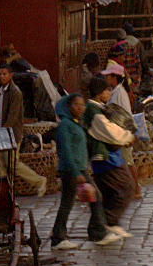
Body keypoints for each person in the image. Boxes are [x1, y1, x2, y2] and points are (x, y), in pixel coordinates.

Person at [51, 93, 112, 249]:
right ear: (68, 106)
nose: (80, 108)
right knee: (75, 201)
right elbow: (65, 151)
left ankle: (94, 232)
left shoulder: (76, 124)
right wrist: (76, 172)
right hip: (71, 170)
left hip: (80, 168)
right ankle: (62, 238)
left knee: (80, 200)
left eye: (82, 105)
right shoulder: (65, 125)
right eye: (76, 105)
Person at [84, 77, 135, 243]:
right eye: (107, 90)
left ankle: (102, 226)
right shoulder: (93, 111)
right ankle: (105, 224)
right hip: (107, 159)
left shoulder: (97, 109)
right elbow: (109, 131)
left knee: (108, 194)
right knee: (127, 187)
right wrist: (127, 136)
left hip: (108, 158)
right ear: (99, 93)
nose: (109, 93)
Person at [0, 65, 48, 197]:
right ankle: (4, 192)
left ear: (11, 75)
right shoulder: (1, 90)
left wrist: (3, 133)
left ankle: (39, 181)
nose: (2, 76)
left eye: (4, 74)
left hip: (11, 135)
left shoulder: (15, 92)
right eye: (0, 74)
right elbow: (1, 113)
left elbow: (12, 117)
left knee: (12, 165)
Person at [103, 63, 142, 199]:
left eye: (108, 76)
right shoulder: (117, 91)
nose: (107, 79)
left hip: (123, 133)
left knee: (128, 161)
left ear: (114, 77)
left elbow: (122, 115)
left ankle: (136, 189)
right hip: (120, 133)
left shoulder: (119, 93)